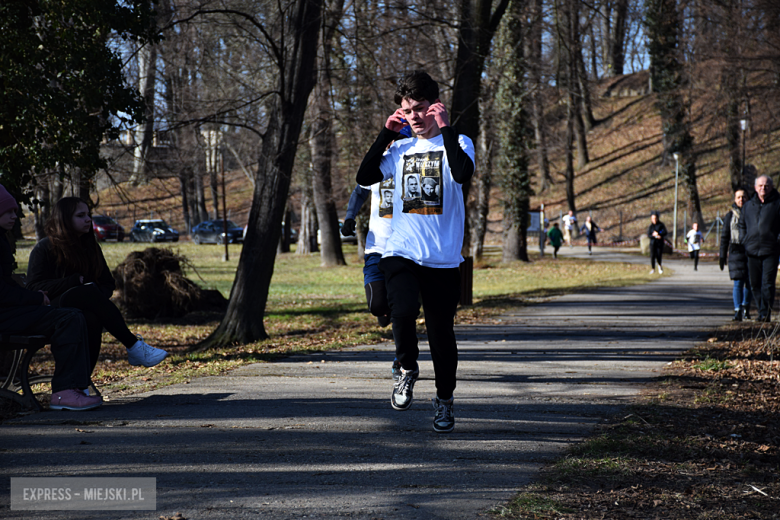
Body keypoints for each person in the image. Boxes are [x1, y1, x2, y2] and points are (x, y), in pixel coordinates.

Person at [356, 70, 475, 433]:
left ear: (435, 106)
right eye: (408, 111)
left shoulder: (459, 142)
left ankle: (444, 400)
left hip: (442, 259)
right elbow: (364, 177)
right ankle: (406, 368)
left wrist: (447, 128)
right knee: (402, 311)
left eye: (421, 109)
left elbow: (461, 173)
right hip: (401, 252)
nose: (415, 117)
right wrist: (386, 134)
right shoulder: (399, 149)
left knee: (441, 337)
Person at [26, 197, 168, 377]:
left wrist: (96, 295)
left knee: (92, 318)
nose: (88, 219)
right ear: (64, 219)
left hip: (82, 309)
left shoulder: (90, 247)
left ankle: (82, 384)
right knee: (84, 293)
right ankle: (133, 345)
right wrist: (73, 282)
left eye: (88, 215)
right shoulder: (45, 247)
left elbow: (107, 282)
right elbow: (34, 286)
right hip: (50, 309)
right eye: (80, 215)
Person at [0, 185, 101, 411]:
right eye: (8, 212)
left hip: (7, 311)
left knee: (76, 316)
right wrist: (35, 298)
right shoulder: (41, 247)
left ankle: (74, 388)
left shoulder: (2, 240)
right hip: (4, 314)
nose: (15, 217)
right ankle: (66, 391)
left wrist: (32, 296)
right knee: (68, 319)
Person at [342, 125, 412, 381]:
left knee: (400, 309)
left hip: (404, 249)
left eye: (401, 141)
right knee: (377, 305)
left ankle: (400, 360)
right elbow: (359, 190)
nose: (395, 145)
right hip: (376, 246)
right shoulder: (378, 167)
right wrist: (350, 217)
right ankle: (385, 313)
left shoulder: (410, 168)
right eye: (393, 141)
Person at [738, 175, 780, 322]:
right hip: (752, 250)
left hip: (771, 251)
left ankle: (765, 313)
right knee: (754, 283)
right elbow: (741, 225)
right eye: (760, 185)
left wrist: (777, 241)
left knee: (767, 283)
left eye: (766, 185)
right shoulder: (749, 206)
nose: (763, 188)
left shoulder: (777, 204)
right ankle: (762, 310)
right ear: (755, 188)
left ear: (772, 187)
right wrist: (745, 240)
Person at [720, 190, 753, 321]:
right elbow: (724, 237)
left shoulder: (753, 213)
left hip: (751, 250)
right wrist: (722, 255)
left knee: (750, 282)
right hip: (736, 251)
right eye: (739, 197)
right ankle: (737, 310)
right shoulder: (730, 216)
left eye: (744, 197)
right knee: (738, 282)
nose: (741, 199)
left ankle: (746, 307)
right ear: (734, 199)